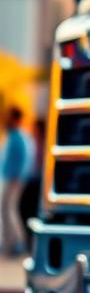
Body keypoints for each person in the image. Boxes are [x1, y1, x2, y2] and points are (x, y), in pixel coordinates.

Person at [0, 107, 30, 256]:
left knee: (9, 210)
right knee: (6, 210)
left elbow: (25, 159)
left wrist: (18, 176)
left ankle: (17, 242)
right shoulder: (11, 135)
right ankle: (10, 243)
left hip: (14, 179)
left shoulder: (19, 136)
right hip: (8, 177)